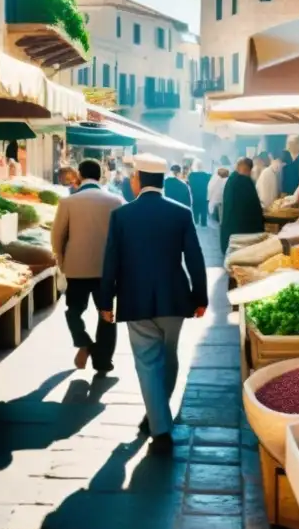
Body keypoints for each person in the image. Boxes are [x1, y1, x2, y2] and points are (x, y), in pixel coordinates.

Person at [98, 154, 208, 451]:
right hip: (175, 298)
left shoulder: (122, 216)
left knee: (148, 362)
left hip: (136, 299)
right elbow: (195, 258)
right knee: (168, 357)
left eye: (132, 177)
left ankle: (160, 430)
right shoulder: (181, 213)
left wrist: (105, 300)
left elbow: (111, 261)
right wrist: (201, 297)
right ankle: (157, 413)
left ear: (138, 181)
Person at [51, 159, 123, 375]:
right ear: (100, 176)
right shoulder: (117, 201)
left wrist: (62, 263)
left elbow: (57, 237)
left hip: (77, 267)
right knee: (107, 314)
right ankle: (103, 362)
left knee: (73, 311)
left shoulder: (68, 202)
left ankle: (84, 341)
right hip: (107, 270)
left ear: (79, 176)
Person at [220, 157, 265, 252]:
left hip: (231, 235)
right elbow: (253, 209)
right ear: (248, 170)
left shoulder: (231, 179)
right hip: (242, 237)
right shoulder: (244, 182)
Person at [187, 161, 212, 226]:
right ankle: (203, 223)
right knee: (204, 209)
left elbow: (189, 184)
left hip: (195, 195)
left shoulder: (191, 175)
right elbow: (209, 185)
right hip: (204, 195)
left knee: (195, 208)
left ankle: (196, 221)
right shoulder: (206, 175)